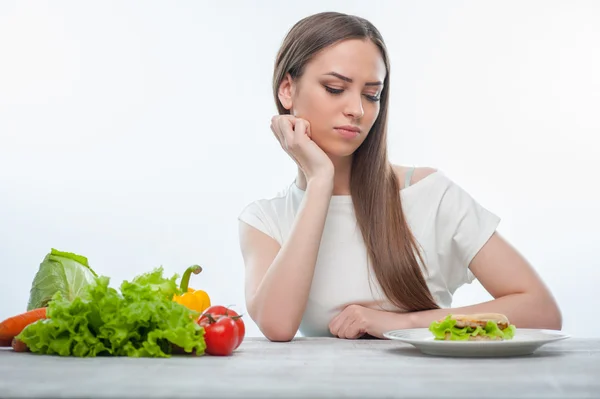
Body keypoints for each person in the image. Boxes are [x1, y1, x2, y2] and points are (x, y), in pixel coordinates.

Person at [237, 11, 562, 341]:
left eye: (371, 94)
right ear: (287, 89)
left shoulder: (428, 195)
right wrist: (321, 180)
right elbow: (277, 326)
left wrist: (402, 323)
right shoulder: (265, 220)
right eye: (335, 88)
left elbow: (541, 311)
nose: (358, 110)